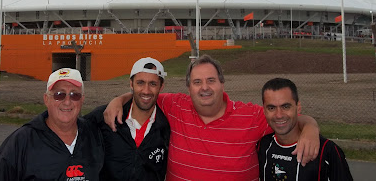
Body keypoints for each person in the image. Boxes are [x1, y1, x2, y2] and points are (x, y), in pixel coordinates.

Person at [104, 55, 320, 180]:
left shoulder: (250, 115)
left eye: (211, 80)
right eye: (197, 82)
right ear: (188, 87)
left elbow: (283, 118)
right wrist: (118, 99)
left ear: (222, 84)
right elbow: (145, 94)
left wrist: (310, 126)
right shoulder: (175, 105)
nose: (204, 88)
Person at [0, 68, 104, 181]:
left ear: (82, 99)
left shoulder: (95, 136)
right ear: (46, 99)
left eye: (75, 95)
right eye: (59, 95)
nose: (67, 102)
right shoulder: (22, 141)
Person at [85, 57, 170, 180]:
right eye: (140, 83)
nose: (146, 91)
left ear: (161, 87)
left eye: (153, 84)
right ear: (131, 84)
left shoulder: (167, 126)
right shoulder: (104, 117)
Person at [258, 77, 353, 180]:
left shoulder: (326, 151)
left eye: (286, 107)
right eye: (271, 108)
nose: (279, 115)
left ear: (298, 107)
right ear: (264, 110)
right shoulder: (262, 146)